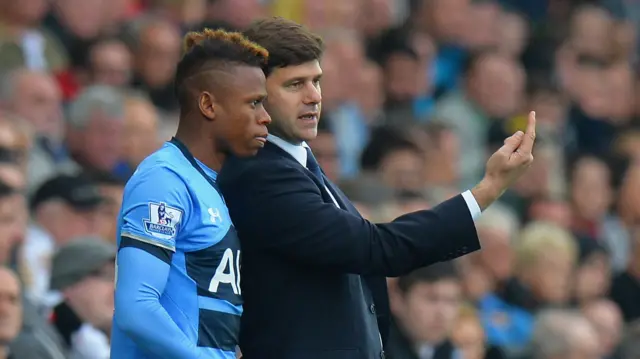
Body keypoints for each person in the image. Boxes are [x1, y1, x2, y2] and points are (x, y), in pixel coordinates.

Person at [217, 17, 536, 359]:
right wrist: (486, 190)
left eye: (316, 81)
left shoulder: (295, 164)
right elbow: (376, 248)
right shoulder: (260, 174)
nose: (313, 97)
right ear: (255, 96)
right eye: (295, 85)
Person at [110, 29, 271, 359]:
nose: (265, 116)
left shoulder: (215, 185)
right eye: (254, 103)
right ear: (208, 105)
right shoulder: (164, 180)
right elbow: (136, 309)